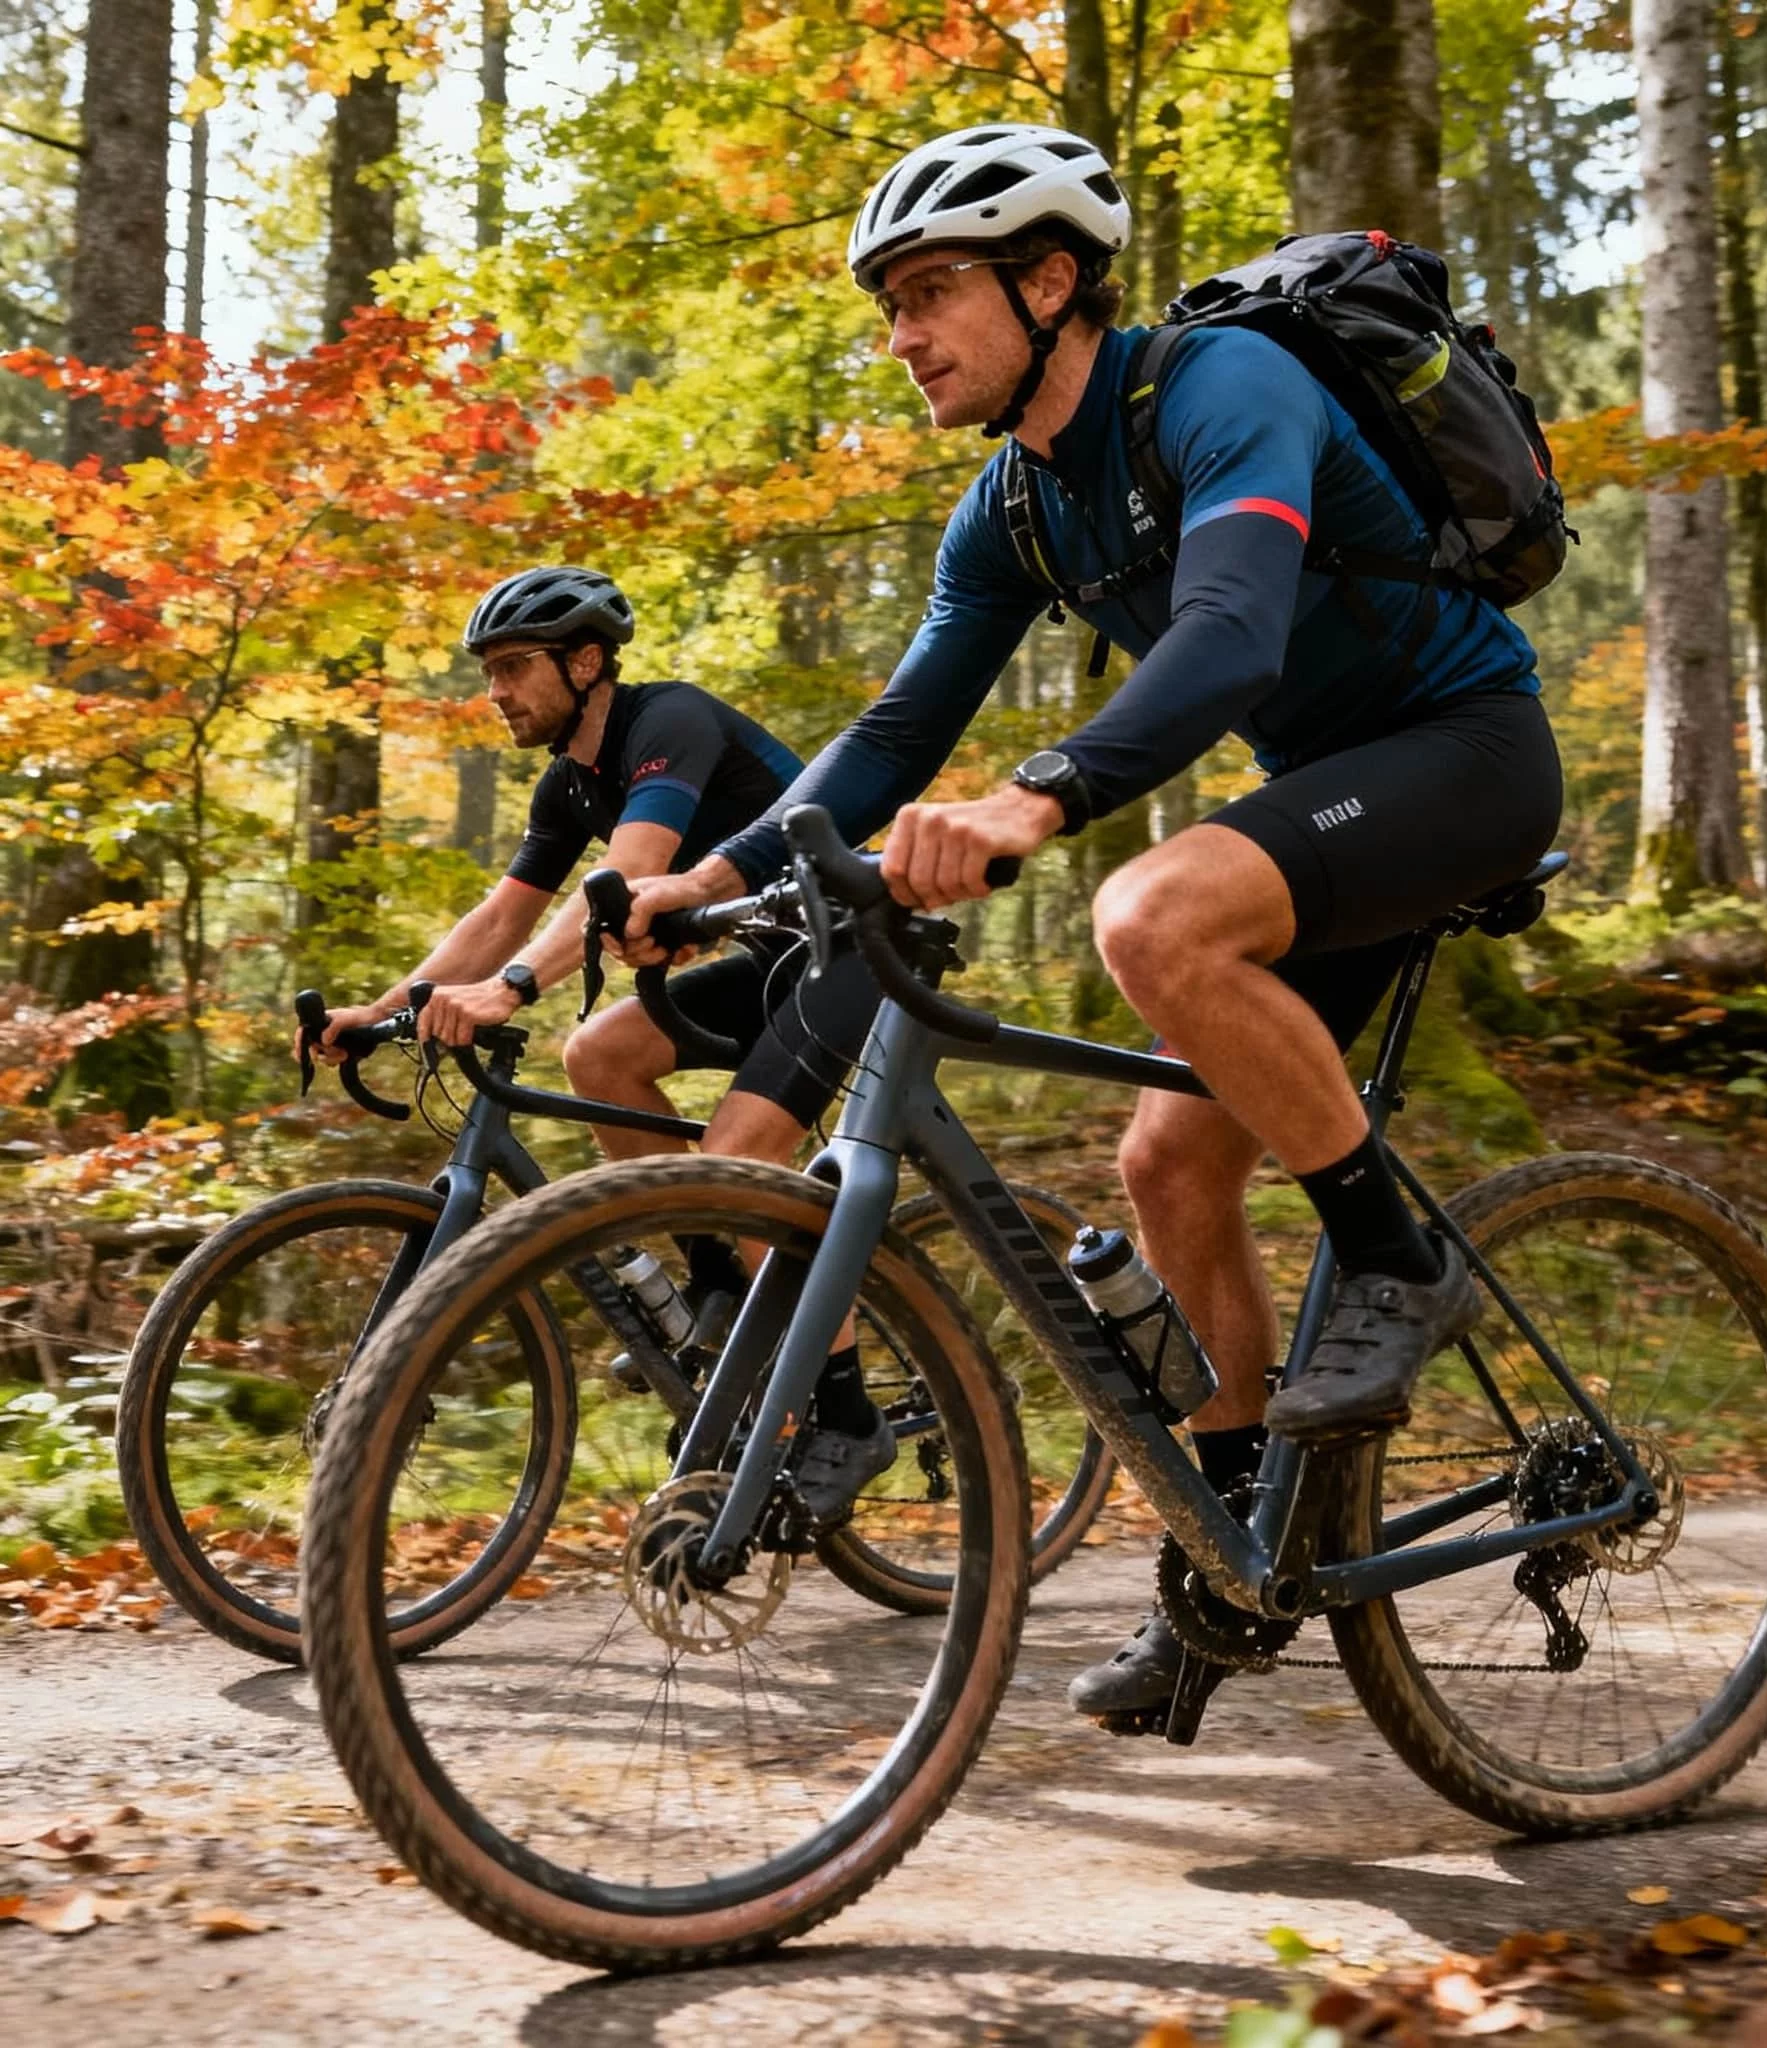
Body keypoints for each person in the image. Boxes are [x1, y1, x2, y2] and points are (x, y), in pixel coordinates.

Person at [618, 124, 1565, 1718]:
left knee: (1151, 915)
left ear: (1050, 280)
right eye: (889, 307)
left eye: (929, 294)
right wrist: (715, 881)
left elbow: (1231, 633)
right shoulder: (1014, 506)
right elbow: (901, 730)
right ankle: (1243, 1556)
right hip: (1323, 815)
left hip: (1464, 759)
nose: (902, 337)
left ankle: (1398, 1268)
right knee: (1165, 1165)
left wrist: (1037, 799)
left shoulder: (1219, 388)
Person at [303, 563, 896, 1519]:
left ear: (586, 662)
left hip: (858, 948)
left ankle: (848, 1413)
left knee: (741, 1157)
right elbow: (503, 913)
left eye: (514, 667)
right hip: (772, 961)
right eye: (487, 672)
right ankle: (720, 1285)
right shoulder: (567, 786)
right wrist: (381, 1011)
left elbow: (628, 875)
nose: (495, 692)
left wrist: (510, 991)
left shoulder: (669, 723)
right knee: (600, 1055)